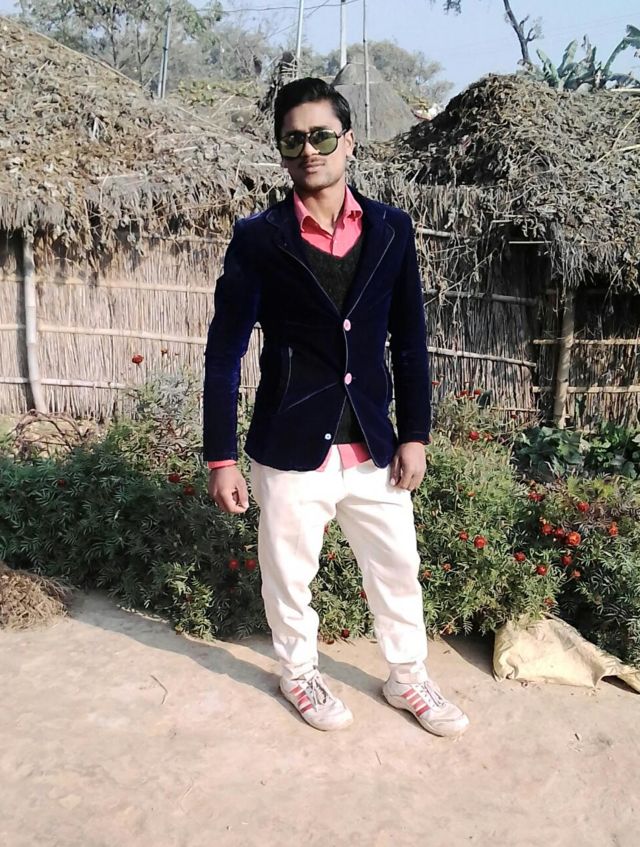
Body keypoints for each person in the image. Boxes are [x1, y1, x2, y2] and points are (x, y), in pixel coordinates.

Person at [203, 77, 469, 737]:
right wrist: (220, 457)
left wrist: (415, 433)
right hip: (290, 443)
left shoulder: (390, 230)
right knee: (289, 574)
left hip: (373, 444)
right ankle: (298, 671)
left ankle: (407, 676)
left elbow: (410, 341)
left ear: (349, 142)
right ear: (280, 148)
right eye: (293, 139)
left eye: (322, 136)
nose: (308, 150)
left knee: (397, 567)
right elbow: (224, 353)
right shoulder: (258, 238)